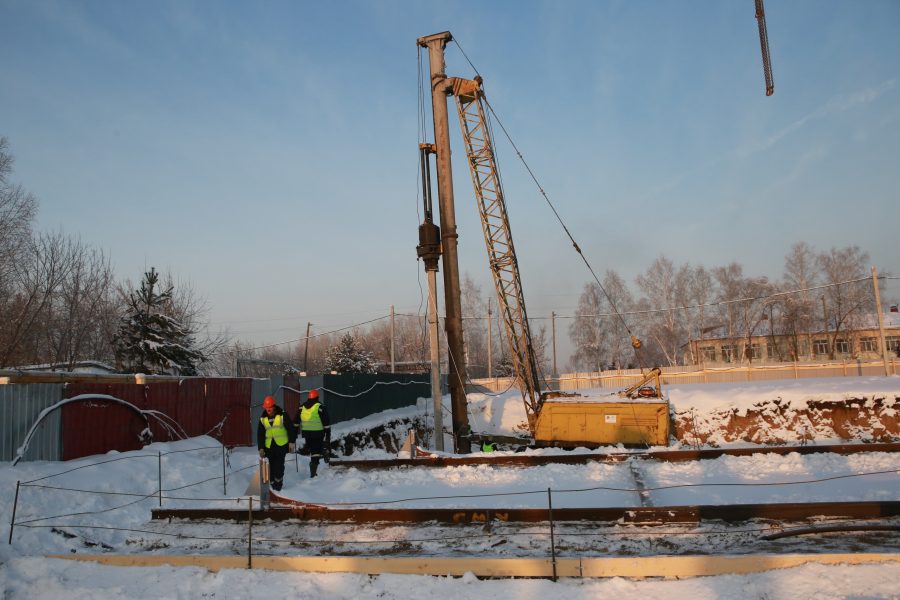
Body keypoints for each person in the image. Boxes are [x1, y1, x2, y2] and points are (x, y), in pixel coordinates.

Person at [257, 395, 296, 492]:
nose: (268, 410)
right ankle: (272, 485)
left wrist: (291, 442)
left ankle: (278, 486)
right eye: (266, 408)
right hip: (269, 446)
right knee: (272, 466)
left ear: (274, 407)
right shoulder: (263, 418)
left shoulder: (282, 415)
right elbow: (260, 434)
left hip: (281, 445)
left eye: (270, 408)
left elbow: (291, 429)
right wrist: (261, 448)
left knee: (279, 466)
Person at [294, 389, 331, 478]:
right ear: (317, 397)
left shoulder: (301, 407)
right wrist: (328, 436)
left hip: (307, 434)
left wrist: (294, 433)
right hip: (318, 433)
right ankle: (313, 473)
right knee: (315, 452)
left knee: (313, 450)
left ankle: (322, 453)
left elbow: (296, 421)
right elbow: (326, 422)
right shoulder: (320, 406)